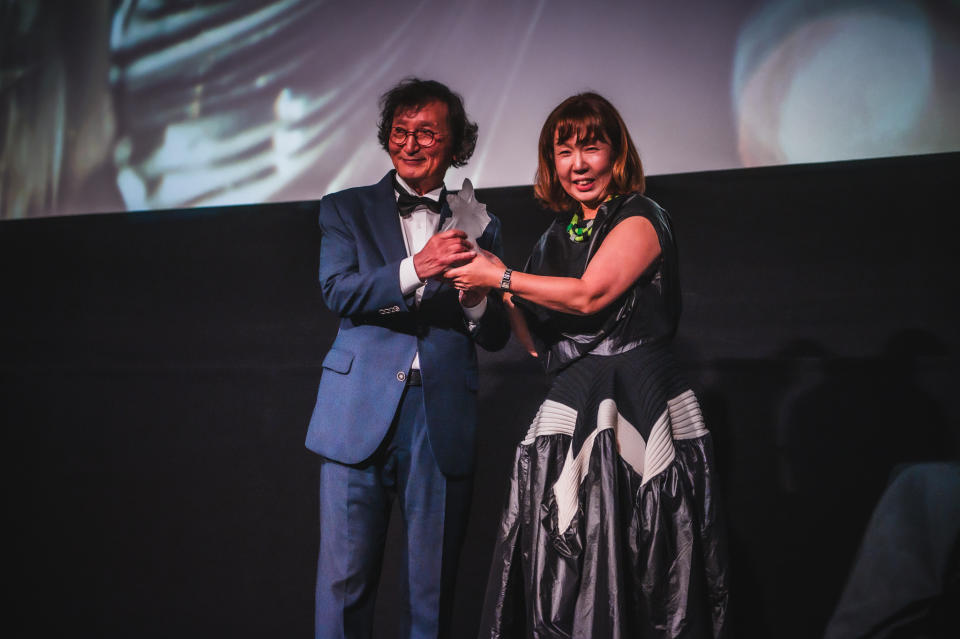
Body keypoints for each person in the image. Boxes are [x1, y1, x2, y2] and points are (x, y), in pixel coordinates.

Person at [446, 93, 729, 637]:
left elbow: (589, 296)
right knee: (566, 575)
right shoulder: (556, 236)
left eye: (591, 147)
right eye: (564, 151)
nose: (578, 165)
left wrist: (501, 277)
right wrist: (476, 278)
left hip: (635, 402)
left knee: (645, 569)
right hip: (572, 409)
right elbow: (532, 340)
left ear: (616, 152)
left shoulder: (642, 216)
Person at [304, 78, 510, 639]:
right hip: (356, 412)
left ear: (455, 145)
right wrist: (415, 267)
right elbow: (338, 291)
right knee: (344, 586)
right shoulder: (344, 208)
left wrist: (475, 301)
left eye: (427, 133)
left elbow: (495, 336)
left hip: (438, 416)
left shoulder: (480, 221)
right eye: (400, 132)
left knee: (432, 590)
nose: (411, 144)